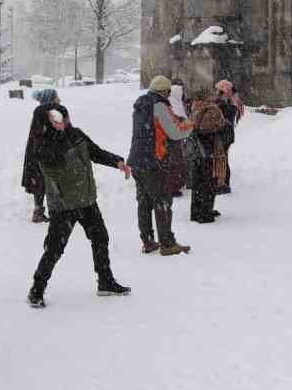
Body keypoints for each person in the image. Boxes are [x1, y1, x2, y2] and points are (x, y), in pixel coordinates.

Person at [27, 100, 132, 307]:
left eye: (66, 118)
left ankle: (105, 281)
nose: (66, 122)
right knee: (55, 248)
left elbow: (95, 152)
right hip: (63, 204)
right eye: (60, 119)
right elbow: (53, 158)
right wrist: (57, 132)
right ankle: (36, 290)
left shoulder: (76, 134)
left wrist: (117, 162)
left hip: (86, 200)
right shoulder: (41, 144)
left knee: (101, 237)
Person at [128, 75, 197, 256]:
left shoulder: (141, 106)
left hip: (137, 160)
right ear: (164, 91)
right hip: (154, 162)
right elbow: (175, 132)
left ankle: (148, 240)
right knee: (162, 201)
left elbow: (156, 127)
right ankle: (167, 243)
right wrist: (190, 124)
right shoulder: (159, 106)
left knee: (144, 202)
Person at [21, 89, 60, 223]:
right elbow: (41, 136)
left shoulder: (47, 113)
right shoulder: (43, 115)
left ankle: (42, 211)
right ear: (50, 100)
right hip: (40, 155)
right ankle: (44, 212)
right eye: (56, 97)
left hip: (40, 154)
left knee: (42, 182)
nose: (59, 100)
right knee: (42, 182)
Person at [189, 89, 228, 223]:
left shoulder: (194, 108)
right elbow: (209, 127)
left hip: (197, 151)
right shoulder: (211, 109)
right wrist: (222, 126)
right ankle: (205, 213)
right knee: (208, 182)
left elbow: (194, 127)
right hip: (209, 149)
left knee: (198, 183)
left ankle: (196, 211)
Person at [214, 79, 244, 196]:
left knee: (222, 159)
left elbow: (226, 115)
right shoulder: (231, 101)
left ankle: (223, 184)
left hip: (224, 134)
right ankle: (223, 182)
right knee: (223, 158)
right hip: (226, 134)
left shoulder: (229, 103)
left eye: (219, 90)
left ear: (224, 91)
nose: (216, 92)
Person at [166, 78, 190, 199]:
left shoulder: (169, 97)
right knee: (177, 159)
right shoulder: (178, 98)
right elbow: (181, 115)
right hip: (176, 133)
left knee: (174, 159)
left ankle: (176, 183)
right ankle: (175, 185)